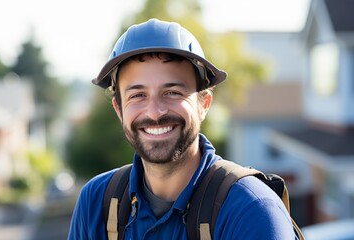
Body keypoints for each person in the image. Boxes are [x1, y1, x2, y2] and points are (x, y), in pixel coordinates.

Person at [68, 18, 296, 239]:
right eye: (137, 95)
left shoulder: (251, 211)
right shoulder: (98, 203)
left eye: (173, 92)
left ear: (204, 104)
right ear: (119, 109)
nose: (155, 112)